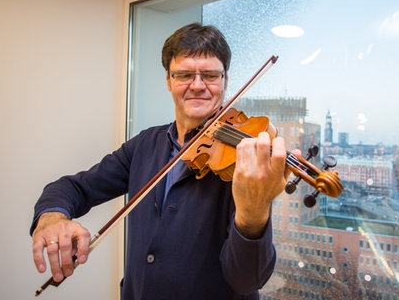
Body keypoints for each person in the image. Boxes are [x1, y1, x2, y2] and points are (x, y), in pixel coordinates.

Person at [30, 22, 298, 299]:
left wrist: (253, 213)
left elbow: (247, 280)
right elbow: (75, 187)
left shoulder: (244, 158)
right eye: (184, 74)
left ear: (225, 81)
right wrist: (51, 217)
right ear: (168, 80)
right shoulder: (144, 144)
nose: (197, 86)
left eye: (210, 75)